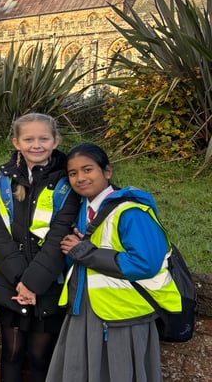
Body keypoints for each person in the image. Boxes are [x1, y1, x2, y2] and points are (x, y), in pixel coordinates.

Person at [47, 143, 181, 382]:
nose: (80, 178)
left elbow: (145, 263)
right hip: (84, 309)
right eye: (73, 173)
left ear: (107, 171)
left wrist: (85, 252)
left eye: (88, 169)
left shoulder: (131, 212)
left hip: (123, 316)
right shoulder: (81, 211)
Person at [0, 113, 80, 382]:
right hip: (10, 283)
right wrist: (20, 281)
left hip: (48, 284)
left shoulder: (66, 183)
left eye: (43, 139)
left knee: (40, 358)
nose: (36, 145)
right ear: (16, 142)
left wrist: (33, 283)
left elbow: (59, 235)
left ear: (55, 140)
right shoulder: (1, 181)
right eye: (29, 139)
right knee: (11, 354)